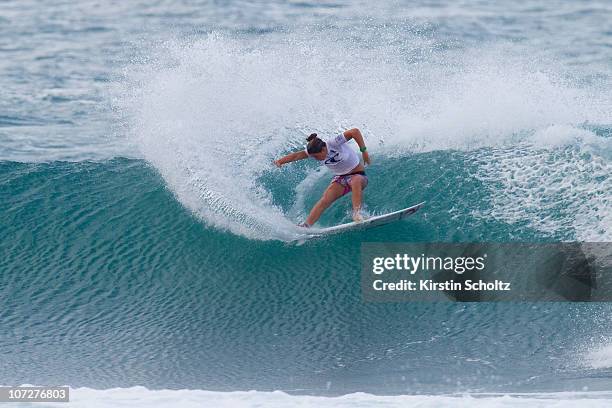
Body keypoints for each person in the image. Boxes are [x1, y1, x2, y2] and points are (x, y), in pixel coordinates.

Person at [274, 128, 371, 227]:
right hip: (341, 178)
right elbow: (296, 156)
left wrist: (364, 151)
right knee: (325, 199)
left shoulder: (333, 143)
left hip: (358, 174)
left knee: (355, 180)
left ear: (324, 149)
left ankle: (357, 213)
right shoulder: (314, 151)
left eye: (316, 156)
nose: (316, 159)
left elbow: (354, 132)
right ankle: (306, 226)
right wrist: (280, 161)